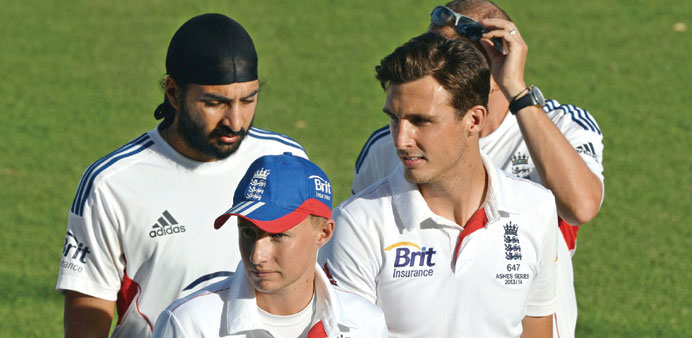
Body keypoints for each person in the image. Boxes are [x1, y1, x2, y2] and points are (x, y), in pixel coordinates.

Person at [351, 1, 605, 336]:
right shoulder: (389, 147)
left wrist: (517, 91)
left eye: (454, 57)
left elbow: (581, 206)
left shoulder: (559, 125)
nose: (436, 66)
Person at [56, 14, 308, 337]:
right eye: (215, 103)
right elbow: (86, 324)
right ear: (174, 94)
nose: (235, 121)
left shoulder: (285, 162)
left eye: (248, 100)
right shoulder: (111, 185)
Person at [319, 32, 558, 337]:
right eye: (394, 119)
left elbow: (537, 331)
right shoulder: (356, 223)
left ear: (473, 120)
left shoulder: (535, 208)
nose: (401, 140)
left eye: (420, 121)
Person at [152, 153, 389, 338]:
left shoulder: (366, 323)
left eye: (277, 235)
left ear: (323, 233)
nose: (257, 255)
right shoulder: (189, 324)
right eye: (248, 232)